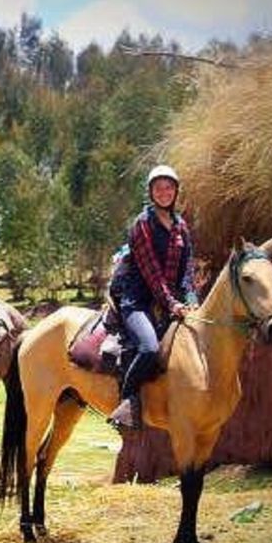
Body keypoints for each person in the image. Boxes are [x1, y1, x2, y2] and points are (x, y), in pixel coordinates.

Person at [107, 164, 198, 430]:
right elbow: (152, 274)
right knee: (149, 347)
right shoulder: (142, 225)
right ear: (151, 192)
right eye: (158, 188)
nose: (164, 192)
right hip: (138, 299)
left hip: (173, 300)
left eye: (169, 187)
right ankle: (126, 402)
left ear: (176, 191)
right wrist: (172, 303)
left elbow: (188, 267)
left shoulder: (181, 226)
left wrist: (191, 297)